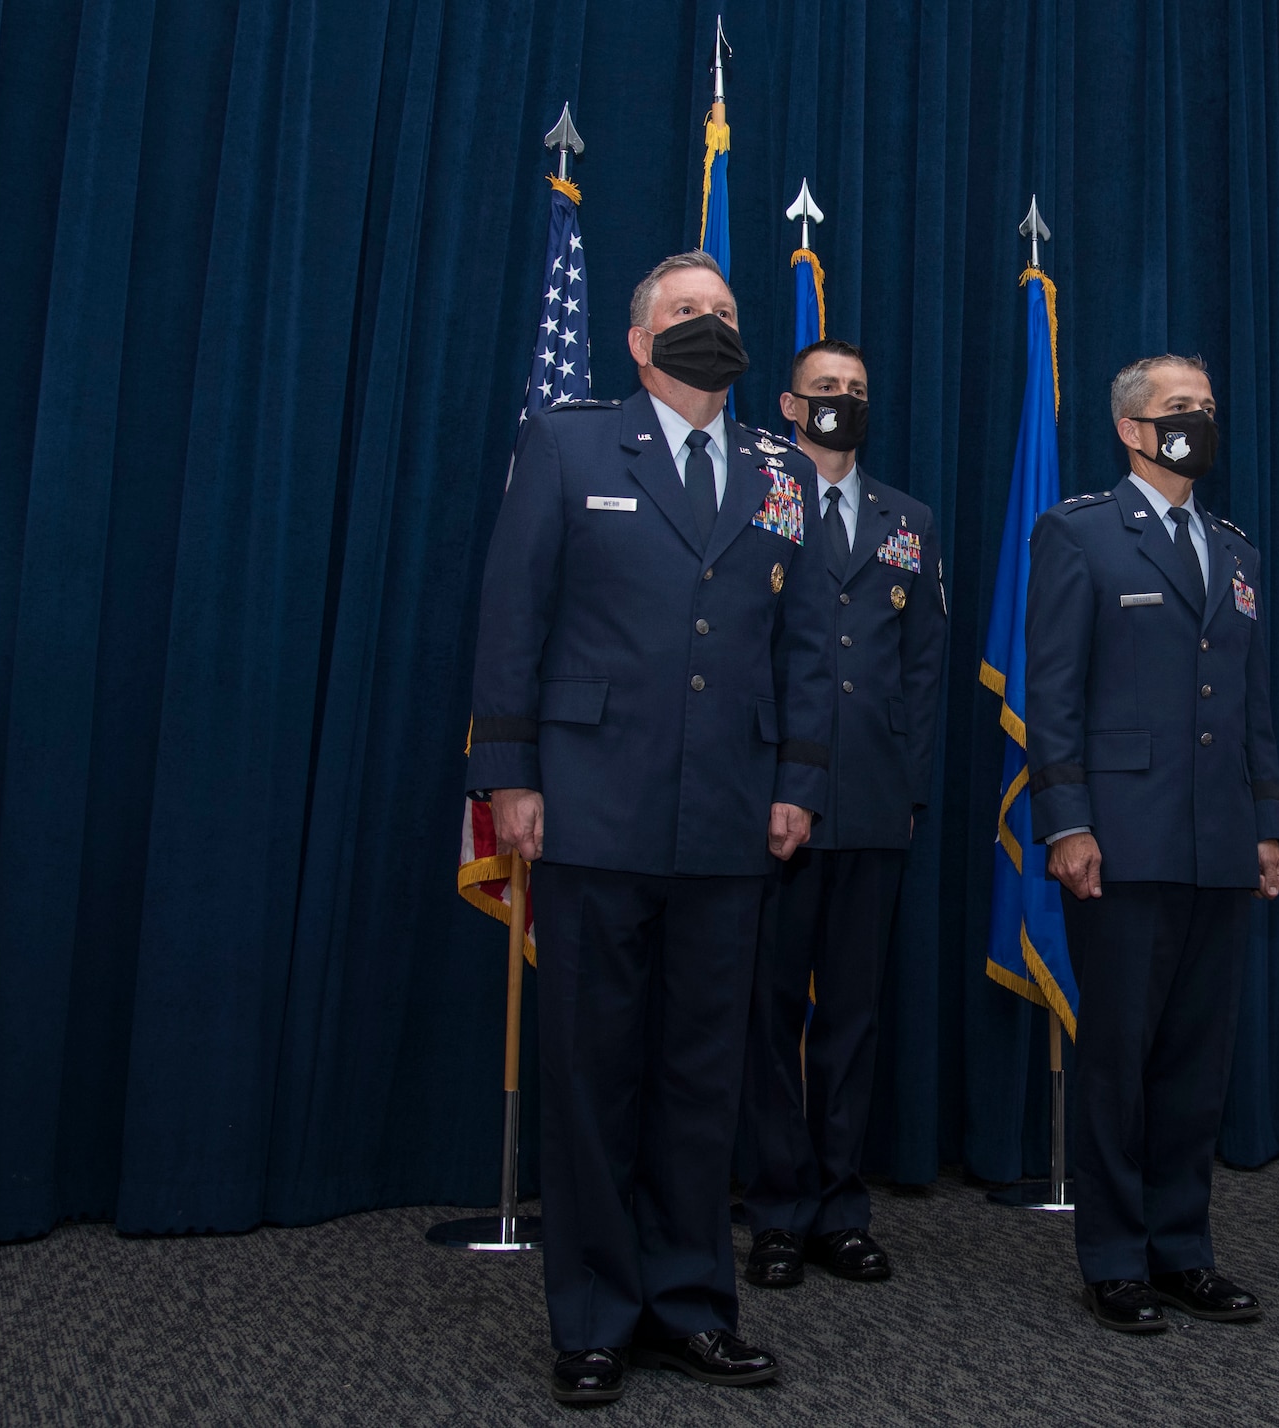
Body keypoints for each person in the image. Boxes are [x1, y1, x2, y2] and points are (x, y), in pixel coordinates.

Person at [466, 251, 833, 1403]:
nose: (708, 326)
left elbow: (808, 642)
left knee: (699, 1078)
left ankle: (689, 1305)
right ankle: (590, 1318)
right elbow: (511, 612)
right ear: (637, 341)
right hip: (590, 806)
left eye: (723, 314)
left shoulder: (780, 470)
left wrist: (798, 781)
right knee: (590, 1075)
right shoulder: (572, 444)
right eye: (685, 314)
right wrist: (509, 771)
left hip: (729, 821)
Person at [1024, 354, 1279, 1334]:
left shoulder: (1236, 551)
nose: (1198, 424)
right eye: (1180, 411)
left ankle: (1183, 1249)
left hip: (1218, 840)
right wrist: (1067, 821)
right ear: (1132, 430)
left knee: (1193, 1063)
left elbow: (1252, 708)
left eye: (1207, 409)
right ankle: (1112, 1258)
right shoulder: (1081, 535)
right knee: (1120, 1059)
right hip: (1119, 841)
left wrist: (1266, 824)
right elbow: (1050, 694)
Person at [739, 339, 947, 1290]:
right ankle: (777, 1211)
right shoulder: (759, 501)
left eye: (857, 390)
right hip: (774, 803)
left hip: (870, 805)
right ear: (789, 404)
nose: (842, 402)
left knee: (853, 1018)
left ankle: (838, 1208)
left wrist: (908, 790)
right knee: (771, 1014)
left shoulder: (909, 519)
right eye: (826, 389)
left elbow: (921, 670)